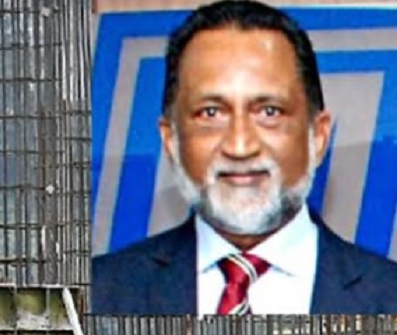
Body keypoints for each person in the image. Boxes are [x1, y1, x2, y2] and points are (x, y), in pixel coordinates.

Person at [91, 0, 397, 315]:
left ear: (318, 136)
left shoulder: (388, 296)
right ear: (171, 140)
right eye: (211, 113)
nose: (240, 146)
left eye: (270, 112)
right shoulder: (95, 296)